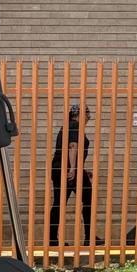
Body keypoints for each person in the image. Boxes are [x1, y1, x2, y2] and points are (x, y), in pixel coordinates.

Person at [47, 104, 95, 246]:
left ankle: (52, 239)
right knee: (88, 199)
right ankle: (89, 238)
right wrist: (73, 168)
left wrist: (81, 170)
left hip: (59, 168)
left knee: (59, 203)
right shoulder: (74, 125)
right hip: (67, 169)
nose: (88, 118)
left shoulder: (67, 126)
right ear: (79, 114)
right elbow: (72, 146)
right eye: (87, 115)